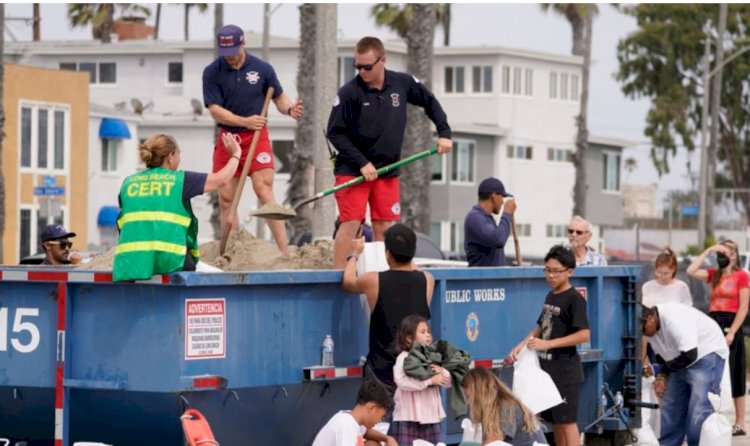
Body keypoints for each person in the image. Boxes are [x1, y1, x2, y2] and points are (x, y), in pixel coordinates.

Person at [327, 36, 453, 269]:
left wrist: (444, 132)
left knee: (386, 227)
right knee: (352, 223)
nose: (361, 71)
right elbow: (334, 133)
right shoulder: (349, 93)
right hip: (354, 171)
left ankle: (384, 279)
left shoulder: (401, 83)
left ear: (382, 60)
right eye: (358, 66)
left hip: (387, 171)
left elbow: (430, 101)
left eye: (367, 67)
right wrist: (362, 162)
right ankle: (338, 278)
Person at [202, 24, 303, 258]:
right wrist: (243, 121)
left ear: (243, 43)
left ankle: (284, 251)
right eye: (225, 52)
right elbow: (215, 110)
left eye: (234, 50)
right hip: (229, 138)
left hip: (257, 137)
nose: (230, 57)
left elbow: (279, 97)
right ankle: (232, 252)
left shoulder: (262, 69)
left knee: (264, 190)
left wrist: (289, 109)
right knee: (227, 198)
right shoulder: (212, 72)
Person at [113, 133, 241, 282]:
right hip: (171, 261)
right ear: (170, 156)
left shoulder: (128, 183)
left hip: (130, 263)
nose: (180, 160)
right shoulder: (179, 181)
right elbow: (222, 179)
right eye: (179, 154)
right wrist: (236, 154)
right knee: (218, 277)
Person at [506, 245, 590, 446]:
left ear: (569, 271)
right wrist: (521, 345)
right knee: (556, 424)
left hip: (566, 372)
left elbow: (584, 334)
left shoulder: (574, 299)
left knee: (568, 423)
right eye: (547, 270)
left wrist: (549, 343)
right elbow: (541, 326)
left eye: (555, 271)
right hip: (548, 372)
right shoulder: (551, 296)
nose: (550, 275)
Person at [342, 223, 434, 392]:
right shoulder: (427, 280)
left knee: (380, 418)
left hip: (382, 372)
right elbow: (414, 270)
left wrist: (354, 253)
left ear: (388, 254)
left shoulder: (373, 280)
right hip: (414, 371)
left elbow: (347, 283)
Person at [641, 303, 728, 446]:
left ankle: (696, 443)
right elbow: (662, 358)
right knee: (670, 406)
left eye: (643, 329)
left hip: (705, 353)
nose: (643, 334)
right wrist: (662, 377)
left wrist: (663, 371)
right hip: (680, 357)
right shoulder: (650, 330)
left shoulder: (674, 319)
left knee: (699, 409)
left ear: (650, 318)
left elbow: (690, 355)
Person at [686, 239, 749, 436]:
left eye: (729, 252)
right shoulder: (714, 275)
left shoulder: (741, 276)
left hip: (732, 322)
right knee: (711, 370)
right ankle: (709, 417)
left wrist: (731, 333)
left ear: (735, 255)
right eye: (723, 253)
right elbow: (691, 270)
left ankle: (739, 422)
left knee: (735, 370)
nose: (726, 256)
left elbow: (744, 307)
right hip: (714, 321)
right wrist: (709, 250)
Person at [391, 315, 451, 446]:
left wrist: (442, 371)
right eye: (423, 332)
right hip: (408, 417)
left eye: (428, 331)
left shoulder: (434, 357)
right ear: (408, 338)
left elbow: (449, 381)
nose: (428, 335)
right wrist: (429, 381)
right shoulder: (404, 357)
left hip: (431, 417)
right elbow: (401, 381)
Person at [461, 367, 547, 446]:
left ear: (479, 392)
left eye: (468, 396)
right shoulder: (499, 406)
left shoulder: (506, 407)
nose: (468, 402)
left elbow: (493, 443)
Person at [312, 380, 398, 446]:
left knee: (372, 444)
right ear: (372, 408)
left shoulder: (352, 419)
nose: (380, 420)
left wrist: (387, 438)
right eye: (381, 416)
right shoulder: (346, 424)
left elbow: (367, 433)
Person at [463, 177, 517, 267]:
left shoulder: (486, 218)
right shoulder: (475, 217)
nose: (502, 202)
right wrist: (507, 213)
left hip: (492, 279)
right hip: (482, 279)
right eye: (501, 197)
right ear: (494, 196)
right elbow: (498, 239)